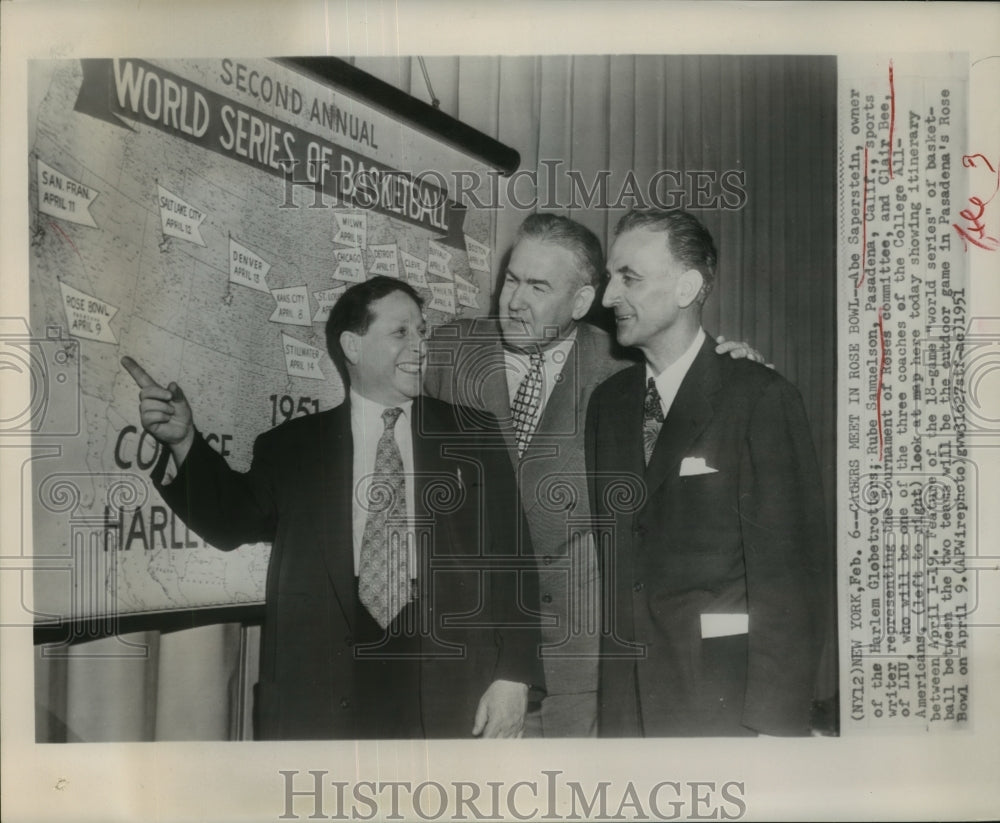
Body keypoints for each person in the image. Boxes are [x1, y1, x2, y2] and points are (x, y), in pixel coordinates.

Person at [122, 276, 542, 740]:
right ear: (352, 346)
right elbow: (229, 522)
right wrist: (184, 442)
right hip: (326, 688)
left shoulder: (472, 436)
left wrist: (514, 676)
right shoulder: (293, 448)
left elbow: (514, 562)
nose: (421, 345)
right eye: (401, 332)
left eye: (422, 331)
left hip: (449, 684)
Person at [424, 213, 765, 737]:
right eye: (512, 279)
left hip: (578, 671)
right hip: (464, 651)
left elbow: (708, 416)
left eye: (538, 286)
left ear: (583, 302)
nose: (514, 300)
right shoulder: (450, 352)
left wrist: (737, 363)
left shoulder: (628, 372)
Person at [586, 209, 829, 737]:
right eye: (610, 277)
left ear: (686, 287)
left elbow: (790, 581)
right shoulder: (607, 405)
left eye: (629, 277)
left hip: (724, 711)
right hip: (627, 714)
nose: (608, 297)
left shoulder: (760, 397)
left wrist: (776, 726)